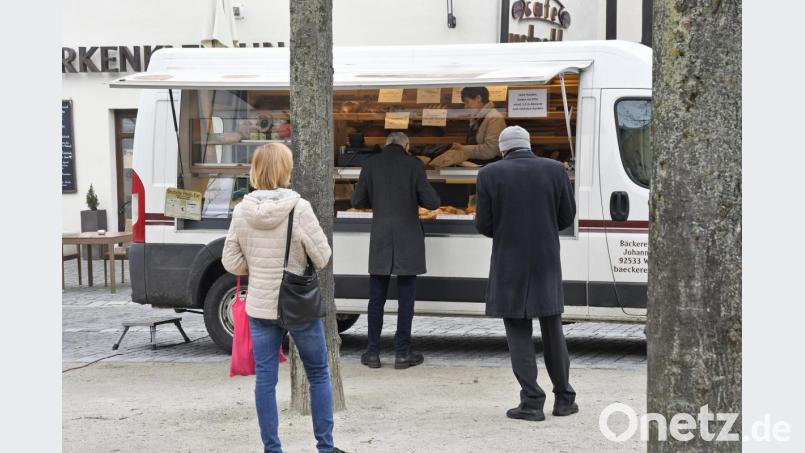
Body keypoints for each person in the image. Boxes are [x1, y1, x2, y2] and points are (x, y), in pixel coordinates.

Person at [222, 143, 347, 453]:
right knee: (318, 373)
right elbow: (322, 257)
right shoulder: (299, 207)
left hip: (261, 305)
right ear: (285, 170)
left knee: (265, 377)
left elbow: (231, 261)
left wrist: (256, 264)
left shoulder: (241, 210)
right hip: (298, 304)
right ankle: (325, 447)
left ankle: (272, 448)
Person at [474, 125, 578, 422]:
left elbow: (484, 223)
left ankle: (532, 401)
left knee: (518, 331)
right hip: (546, 259)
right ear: (529, 145)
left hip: (509, 261)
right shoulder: (555, 170)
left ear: (503, 149)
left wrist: (506, 230)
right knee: (553, 328)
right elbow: (565, 217)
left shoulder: (489, 174)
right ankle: (565, 398)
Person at [351, 132, 441, 369]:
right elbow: (432, 202)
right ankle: (402, 353)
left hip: (380, 235)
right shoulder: (413, 164)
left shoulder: (370, 164)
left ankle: (372, 353)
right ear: (407, 145)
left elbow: (357, 201)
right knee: (406, 298)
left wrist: (379, 198)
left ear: (387, 143)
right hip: (408, 237)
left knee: (376, 298)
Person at [429, 86, 506, 168]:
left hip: (487, 167)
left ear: (478, 98)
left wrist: (462, 148)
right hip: (477, 163)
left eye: (467, 101)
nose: (466, 106)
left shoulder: (494, 118)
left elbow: (490, 151)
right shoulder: (477, 116)